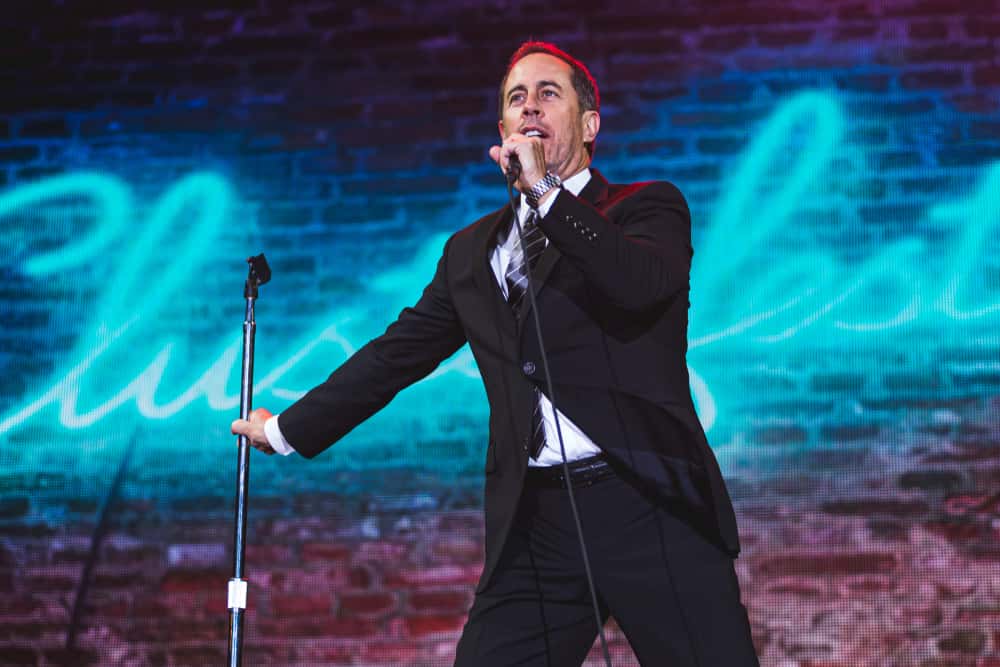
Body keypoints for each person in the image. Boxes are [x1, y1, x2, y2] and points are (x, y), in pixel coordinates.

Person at [232, 41, 759, 666]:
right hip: (539, 521)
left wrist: (545, 190)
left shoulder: (646, 209)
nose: (530, 106)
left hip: (650, 505)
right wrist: (287, 429)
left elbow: (636, 283)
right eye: (516, 98)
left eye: (548, 93)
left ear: (589, 125)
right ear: (502, 131)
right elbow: (399, 352)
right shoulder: (471, 250)